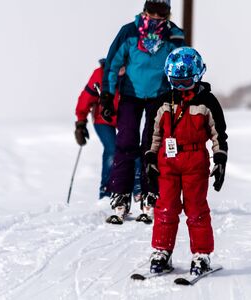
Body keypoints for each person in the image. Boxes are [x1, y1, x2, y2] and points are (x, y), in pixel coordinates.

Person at [100, 0, 186, 224]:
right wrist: (107, 95)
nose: (156, 17)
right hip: (131, 95)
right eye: (153, 11)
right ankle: (120, 195)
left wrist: (181, 97)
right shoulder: (129, 32)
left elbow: (180, 65)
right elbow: (112, 63)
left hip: (159, 96)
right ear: (145, 9)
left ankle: (150, 194)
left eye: (162, 13)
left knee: (152, 145)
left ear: (167, 14)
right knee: (126, 142)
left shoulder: (173, 34)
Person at [144, 47, 228, 276]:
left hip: (195, 162)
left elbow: (218, 133)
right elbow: (153, 134)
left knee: (196, 208)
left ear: (198, 76)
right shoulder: (163, 102)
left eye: (186, 82)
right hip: (167, 162)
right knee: (165, 207)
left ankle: (201, 254)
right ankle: (162, 250)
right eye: (175, 82)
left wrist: (220, 159)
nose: (181, 88)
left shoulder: (207, 102)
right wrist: (150, 158)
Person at [74, 59, 142, 200]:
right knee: (112, 149)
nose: (122, 70)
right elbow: (86, 98)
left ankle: (136, 190)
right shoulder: (100, 74)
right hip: (102, 119)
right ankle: (106, 191)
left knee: (132, 148)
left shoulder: (132, 75)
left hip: (123, 119)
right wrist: (81, 122)